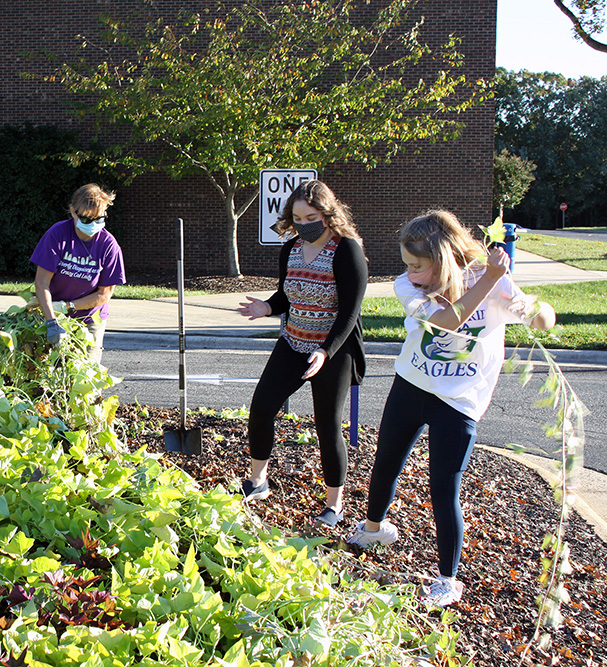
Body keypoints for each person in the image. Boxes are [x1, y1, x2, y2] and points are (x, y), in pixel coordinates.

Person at [345, 210, 556, 608]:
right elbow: (443, 324)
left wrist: (531, 307)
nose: (408, 273)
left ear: (442, 261)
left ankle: (447, 579)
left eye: (417, 266)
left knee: (444, 488)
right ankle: (374, 529)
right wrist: (491, 281)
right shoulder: (408, 288)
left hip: (459, 402)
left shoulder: (490, 282)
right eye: (407, 264)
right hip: (412, 384)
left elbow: (544, 321)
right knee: (386, 460)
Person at [236, 180, 367, 527]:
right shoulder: (291, 248)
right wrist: (267, 307)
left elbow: (350, 314)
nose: (303, 223)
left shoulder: (347, 250)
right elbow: (286, 296)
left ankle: (334, 504)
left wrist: (326, 351)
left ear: (327, 214)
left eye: (310, 216)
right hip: (293, 342)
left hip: (334, 349)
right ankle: (258, 481)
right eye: (296, 217)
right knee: (262, 406)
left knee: (327, 425)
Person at [29, 183, 126, 363]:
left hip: (89, 318)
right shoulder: (57, 235)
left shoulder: (108, 245)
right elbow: (42, 282)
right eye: (87, 219)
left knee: (85, 373)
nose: (93, 225)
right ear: (73, 212)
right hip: (53, 314)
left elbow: (104, 294)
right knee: (46, 369)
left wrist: (67, 306)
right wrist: (51, 320)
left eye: (99, 219)